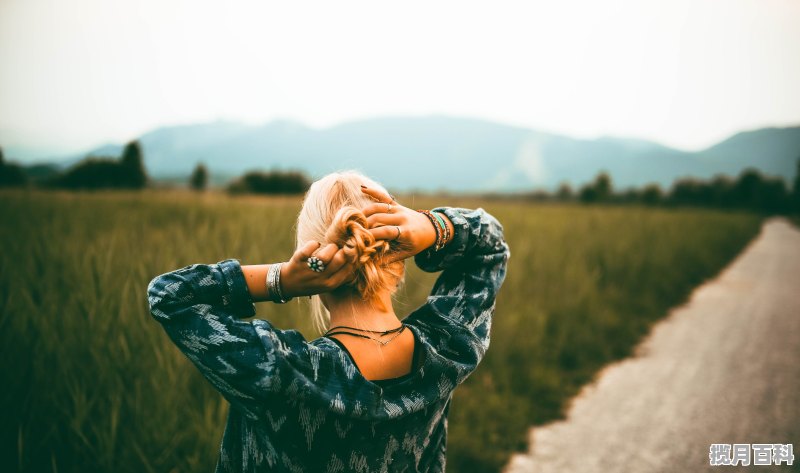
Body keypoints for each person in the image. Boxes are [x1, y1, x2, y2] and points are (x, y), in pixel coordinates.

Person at [147, 170, 510, 472]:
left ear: (312, 268)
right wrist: (434, 227)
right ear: (400, 260)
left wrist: (281, 279)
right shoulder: (449, 349)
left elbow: (169, 295)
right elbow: (491, 248)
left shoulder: (281, 371)